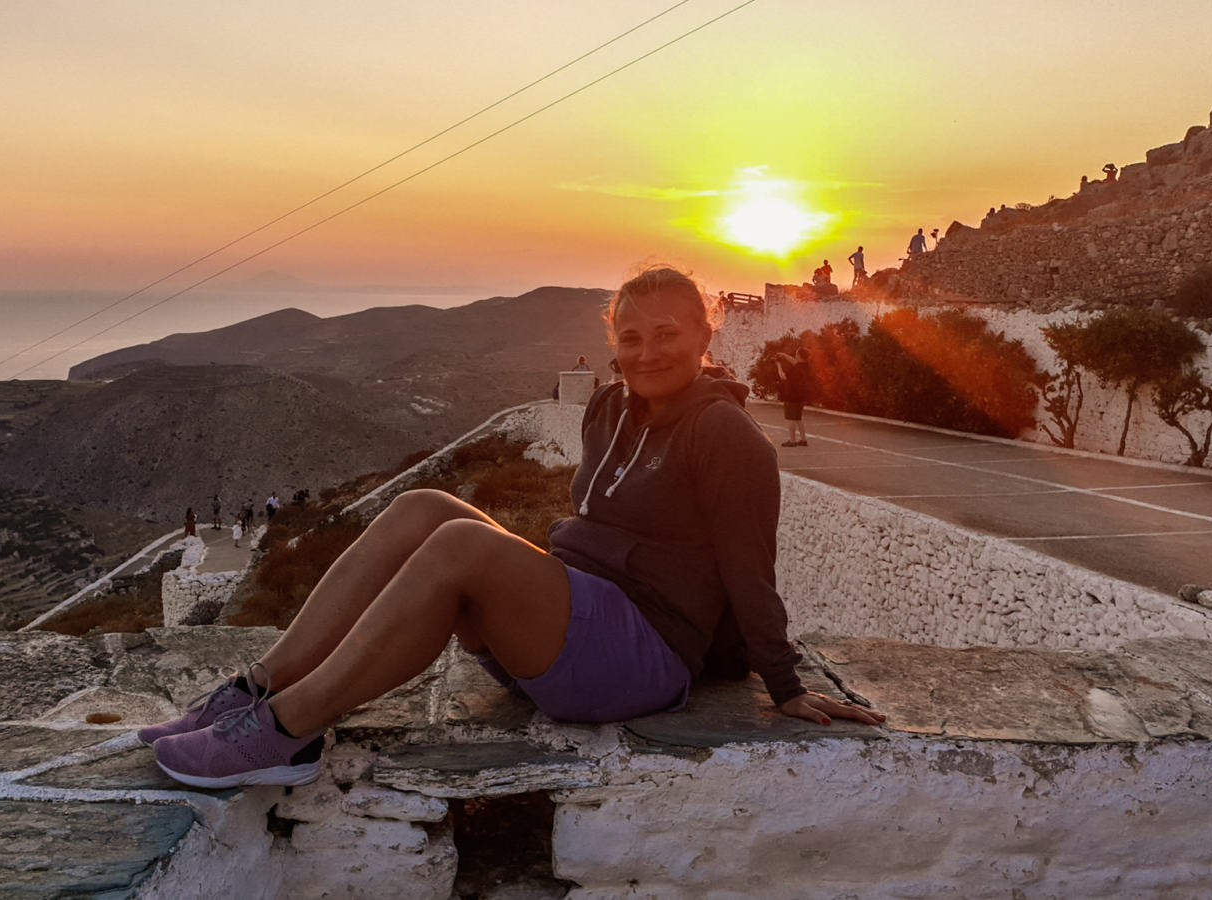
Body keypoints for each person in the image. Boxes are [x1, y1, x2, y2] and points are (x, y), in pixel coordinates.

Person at [139, 265, 885, 789]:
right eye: (631, 337)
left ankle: (286, 731)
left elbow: (751, 569)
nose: (648, 352)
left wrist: (783, 683)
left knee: (464, 544)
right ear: (612, 342)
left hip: (641, 655)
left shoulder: (725, 436)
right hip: (573, 625)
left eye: (667, 334)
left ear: (704, 337)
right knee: (423, 508)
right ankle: (256, 685)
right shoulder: (608, 410)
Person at [775, 347, 812, 447]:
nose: (795, 356)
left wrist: (778, 365)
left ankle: (792, 441)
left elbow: (783, 376)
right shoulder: (806, 366)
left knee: (791, 419)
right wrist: (783, 354)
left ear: (799, 355)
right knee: (798, 419)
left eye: (796, 354)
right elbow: (794, 361)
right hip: (801, 397)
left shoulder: (795, 369)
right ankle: (803, 440)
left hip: (791, 396)